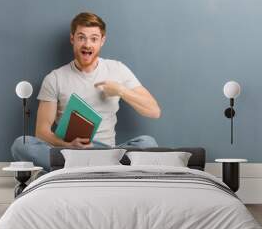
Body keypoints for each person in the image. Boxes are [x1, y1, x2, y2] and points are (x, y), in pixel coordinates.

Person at [11, 12, 161, 172]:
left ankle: (77, 170)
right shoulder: (54, 78)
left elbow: (154, 111)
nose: (87, 44)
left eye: (94, 38)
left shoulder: (117, 69)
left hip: (108, 152)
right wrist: (67, 145)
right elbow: (42, 132)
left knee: (147, 142)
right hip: (70, 152)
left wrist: (121, 90)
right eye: (81, 37)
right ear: (72, 39)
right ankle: (105, 171)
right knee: (22, 144)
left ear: (102, 41)